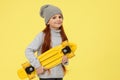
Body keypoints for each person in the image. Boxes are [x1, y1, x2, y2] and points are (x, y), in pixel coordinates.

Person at [25, 4, 69, 80]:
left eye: (60, 17)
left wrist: (65, 60)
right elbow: (28, 50)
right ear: (48, 22)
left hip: (59, 76)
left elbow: (63, 56)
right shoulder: (42, 35)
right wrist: (37, 66)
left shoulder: (63, 36)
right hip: (46, 76)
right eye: (54, 17)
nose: (58, 19)